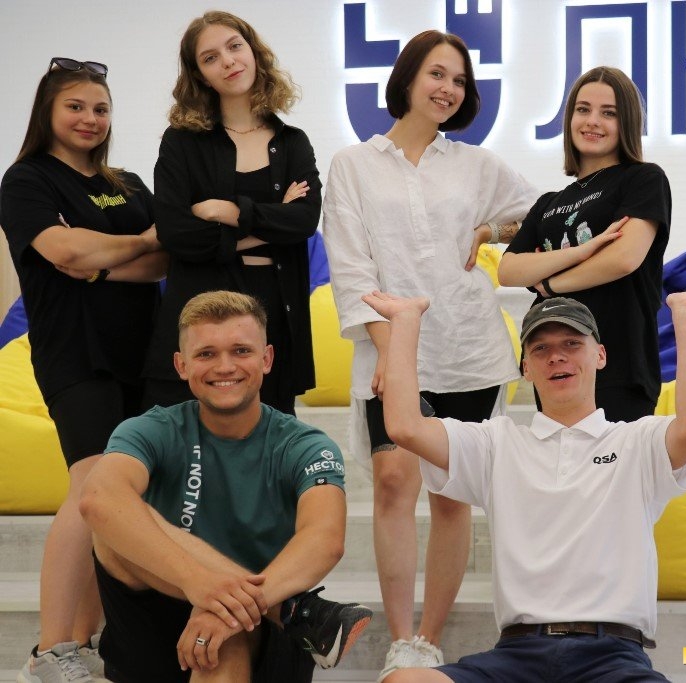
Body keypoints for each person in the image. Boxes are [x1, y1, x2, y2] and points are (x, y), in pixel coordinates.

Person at [361, 280, 686, 683]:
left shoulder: (637, 441)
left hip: (612, 656)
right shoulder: (497, 443)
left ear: (600, 355)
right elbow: (406, 427)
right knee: (404, 680)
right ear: (526, 368)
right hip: (516, 655)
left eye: (572, 344)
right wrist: (405, 322)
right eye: (540, 349)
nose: (556, 356)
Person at [321, 30, 536, 679]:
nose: (448, 88)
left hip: (468, 347)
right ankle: (400, 636)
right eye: (437, 74)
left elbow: (539, 214)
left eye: (459, 80)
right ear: (409, 78)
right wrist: (393, 356)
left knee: (450, 495)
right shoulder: (353, 164)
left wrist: (490, 229)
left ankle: (428, 637)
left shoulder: (475, 164)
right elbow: (351, 268)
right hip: (390, 346)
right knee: (393, 481)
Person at [79, 290, 372, 683]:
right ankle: (292, 610)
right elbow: (97, 499)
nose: (224, 366)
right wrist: (199, 583)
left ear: (266, 359)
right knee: (114, 520)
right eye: (206, 354)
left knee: (224, 640)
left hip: (261, 629)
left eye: (241, 351)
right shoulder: (151, 429)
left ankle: (263, 610)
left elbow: (325, 539)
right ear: (181, 365)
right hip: (157, 618)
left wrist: (225, 607)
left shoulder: (304, 445)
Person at [0, 57, 166, 683]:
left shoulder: (128, 183)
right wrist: (136, 241)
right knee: (92, 487)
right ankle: (50, 651)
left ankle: (84, 639)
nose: (90, 118)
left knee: (121, 498)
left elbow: (164, 260)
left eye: (100, 108)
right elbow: (61, 249)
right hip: (75, 352)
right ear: (47, 111)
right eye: (75, 106)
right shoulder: (27, 180)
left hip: (141, 354)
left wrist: (97, 262)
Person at [143, 10, 321, 415]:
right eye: (210, 58)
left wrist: (228, 211)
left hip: (275, 308)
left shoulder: (292, 143)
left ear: (254, 52)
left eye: (234, 47)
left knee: (270, 440)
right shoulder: (181, 142)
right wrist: (270, 223)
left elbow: (304, 221)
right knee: (184, 440)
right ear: (200, 75)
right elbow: (176, 233)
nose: (227, 61)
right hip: (200, 309)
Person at [498, 66, 670, 422]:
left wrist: (550, 283)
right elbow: (509, 270)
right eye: (583, 109)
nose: (593, 121)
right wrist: (583, 251)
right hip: (554, 368)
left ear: (627, 123)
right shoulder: (548, 203)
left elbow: (623, 258)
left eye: (609, 113)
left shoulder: (643, 179)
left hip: (620, 364)